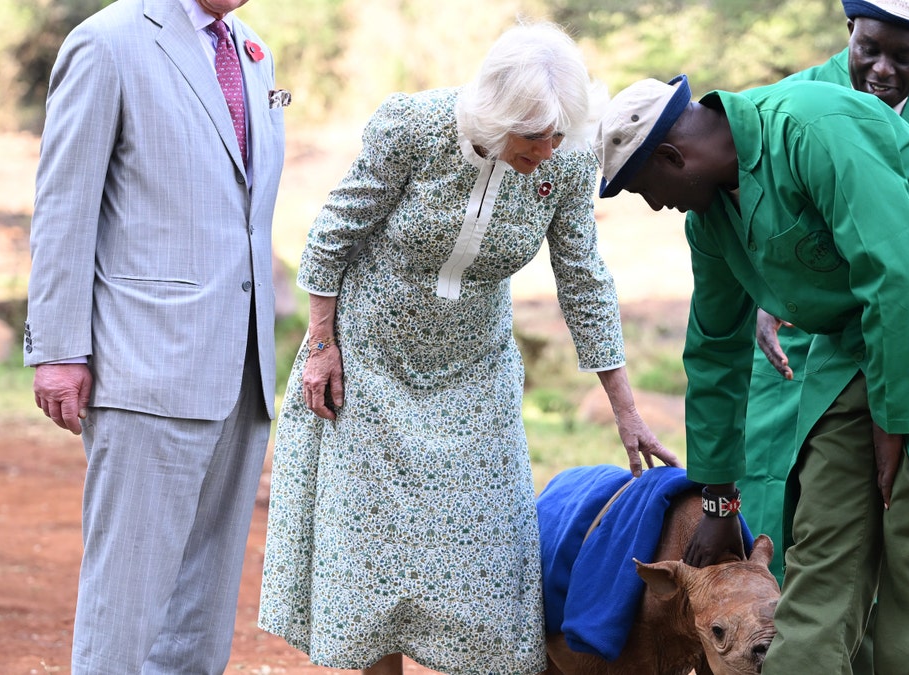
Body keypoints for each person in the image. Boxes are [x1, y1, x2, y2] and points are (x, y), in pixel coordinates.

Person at [594, 74, 909, 673]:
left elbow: (895, 270)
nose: (655, 205)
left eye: (646, 188)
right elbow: (714, 350)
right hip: (860, 337)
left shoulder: (811, 124)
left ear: (673, 156)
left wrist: (893, 418)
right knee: (822, 541)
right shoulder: (710, 222)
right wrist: (719, 497)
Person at [257, 22, 679, 675]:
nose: (548, 148)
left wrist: (625, 407)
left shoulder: (563, 161)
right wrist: (321, 345)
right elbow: (332, 235)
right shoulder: (413, 129)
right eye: (533, 135)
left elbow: (585, 279)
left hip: (474, 373)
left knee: (487, 559)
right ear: (496, 114)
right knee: (377, 553)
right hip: (371, 365)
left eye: (559, 134)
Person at [23, 0, 285, 671]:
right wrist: (58, 349)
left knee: (201, 610)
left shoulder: (252, 50)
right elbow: (64, 203)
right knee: (127, 602)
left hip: (241, 367)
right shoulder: (107, 44)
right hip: (146, 366)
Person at [742, 0, 909, 590]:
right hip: (801, 355)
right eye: (869, 48)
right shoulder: (792, 104)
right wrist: (772, 291)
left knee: (908, 522)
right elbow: (745, 220)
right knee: (784, 516)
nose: (883, 69)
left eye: (905, 56)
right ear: (849, 30)